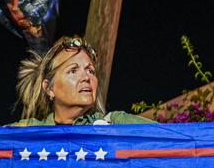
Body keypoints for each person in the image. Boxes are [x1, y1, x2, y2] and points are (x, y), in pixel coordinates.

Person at [11, 35, 155, 126]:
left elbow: (171, 139)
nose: (86, 78)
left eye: (90, 71)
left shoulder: (116, 123)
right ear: (49, 88)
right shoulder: (27, 132)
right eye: (73, 71)